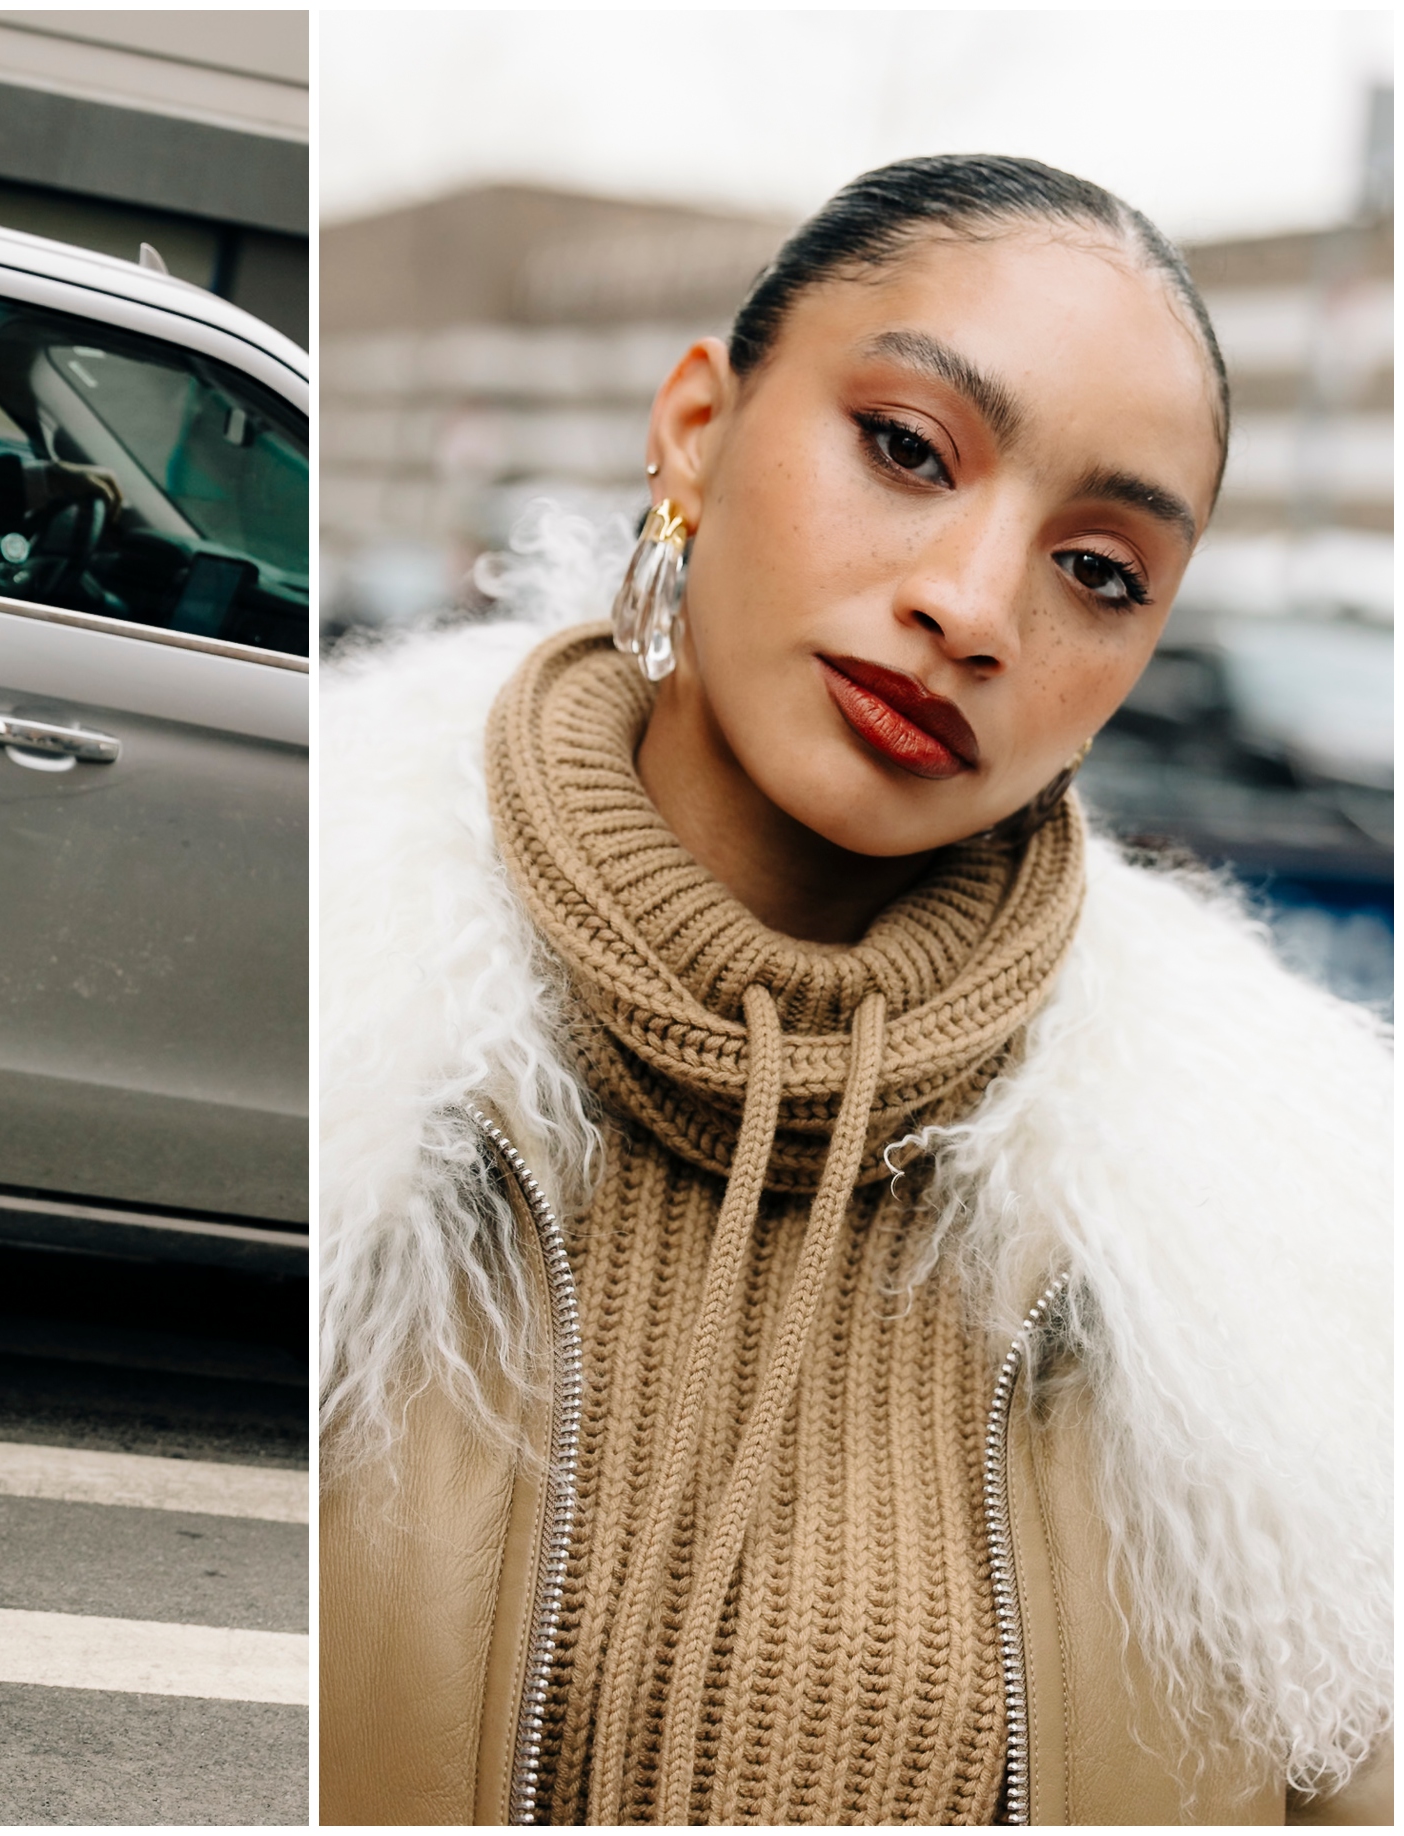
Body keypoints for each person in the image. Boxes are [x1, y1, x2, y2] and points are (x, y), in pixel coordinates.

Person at [319, 155, 1390, 1823]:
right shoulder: (334, 1015)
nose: (971, 606)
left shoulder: (1291, 1257)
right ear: (697, 425)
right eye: (906, 450)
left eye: (1100, 572)